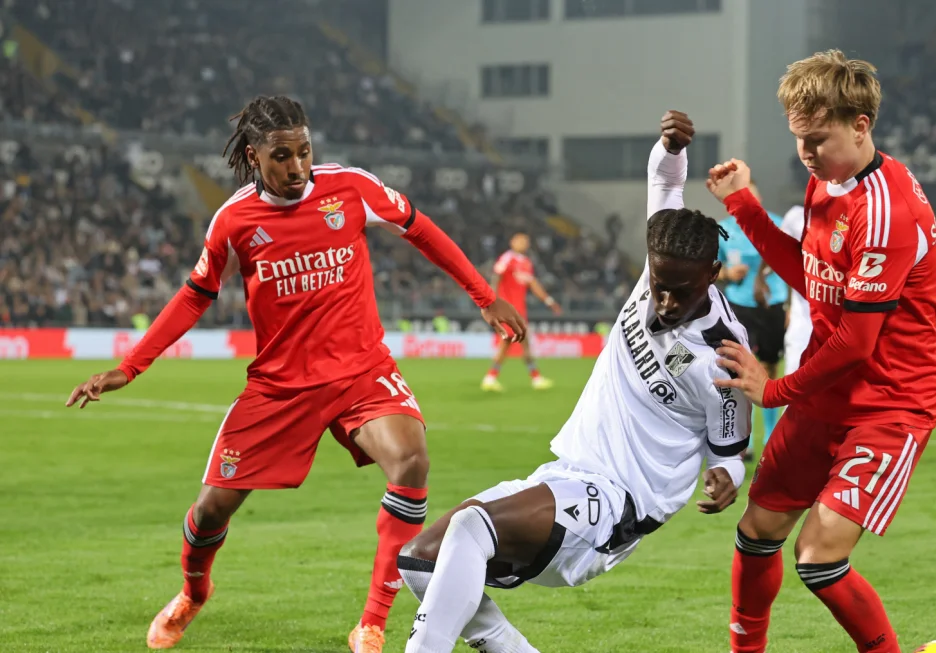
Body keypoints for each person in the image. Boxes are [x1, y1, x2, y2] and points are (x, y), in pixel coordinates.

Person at [63, 96, 526, 653]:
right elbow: (194, 296)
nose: (297, 166)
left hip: (361, 370)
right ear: (254, 156)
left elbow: (420, 229)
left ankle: (372, 622)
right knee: (211, 510)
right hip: (281, 388)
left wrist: (484, 297)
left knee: (411, 459)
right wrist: (129, 367)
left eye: (304, 151)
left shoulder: (352, 188)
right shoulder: (234, 220)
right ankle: (193, 592)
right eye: (281, 156)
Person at [395, 111, 752, 653]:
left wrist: (727, 477)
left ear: (712, 274)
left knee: (470, 529)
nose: (665, 302)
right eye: (658, 286)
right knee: (419, 560)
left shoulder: (724, 355)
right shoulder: (665, 250)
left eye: (681, 291)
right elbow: (665, 181)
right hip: (567, 473)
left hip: (617, 502)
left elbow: (730, 450)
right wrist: (671, 146)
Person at [705, 51, 936, 653]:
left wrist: (775, 390)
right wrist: (744, 207)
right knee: (757, 532)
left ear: (860, 125)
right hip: (826, 392)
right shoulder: (827, 181)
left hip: (888, 403)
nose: (806, 154)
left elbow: (859, 343)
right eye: (799, 139)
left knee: (818, 557)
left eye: (818, 139)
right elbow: (811, 276)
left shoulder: (885, 211)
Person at [716, 184, 788, 456]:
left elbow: (795, 262)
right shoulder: (722, 229)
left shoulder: (777, 224)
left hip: (771, 305)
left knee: (770, 370)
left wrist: (791, 305)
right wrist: (727, 273)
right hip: (738, 307)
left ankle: (771, 439)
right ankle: (741, 439)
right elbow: (711, 266)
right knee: (738, 371)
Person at [481, 233, 561, 392]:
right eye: (519, 240)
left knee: (518, 343)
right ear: (512, 242)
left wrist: (549, 301)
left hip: (519, 311)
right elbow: (496, 276)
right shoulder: (507, 258)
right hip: (507, 309)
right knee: (511, 342)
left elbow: (534, 285)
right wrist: (491, 302)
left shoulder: (526, 263)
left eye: (526, 241)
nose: (523, 243)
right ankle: (493, 378)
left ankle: (532, 378)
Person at [778, 205, 811, 377]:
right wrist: (789, 304)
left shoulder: (859, 213)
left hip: (839, 318)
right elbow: (782, 253)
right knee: (794, 378)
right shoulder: (796, 216)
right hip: (802, 317)